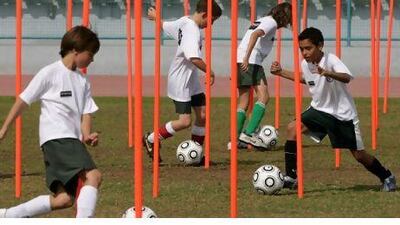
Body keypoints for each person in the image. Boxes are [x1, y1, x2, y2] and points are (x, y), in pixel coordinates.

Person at [270, 27, 396, 192]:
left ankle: (386, 176)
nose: (305, 53)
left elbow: (347, 77)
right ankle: (292, 177)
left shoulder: (331, 60)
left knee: (359, 155)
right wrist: (280, 72)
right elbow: (305, 79)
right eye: (302, 49)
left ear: (320, 46)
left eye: (309, 48)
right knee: (292, 128)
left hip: (342, 115)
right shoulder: (305, 64)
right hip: (319, 110)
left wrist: (328, 72)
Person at [0, 26, 102, 217]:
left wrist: (87, 135)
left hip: (66, 141)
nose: (92, 59)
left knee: (64, 199)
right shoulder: (49, 73)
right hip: (58, 138)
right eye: (91, 54)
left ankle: (8, 215)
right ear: (76, 50)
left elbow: (86, 113)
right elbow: (23, 100)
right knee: (93, 176)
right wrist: (4, 128)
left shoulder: (83, 81)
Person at [143, 0, 222, 162]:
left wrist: (157, 17)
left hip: (191, 79)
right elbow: (193, 57)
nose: (211, 24)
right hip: (180, 80)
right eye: (211, 20)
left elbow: (167, 26)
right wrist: (210, 71)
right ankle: (151, 138)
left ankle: (195, 154)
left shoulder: (185, 20)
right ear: (204, 14)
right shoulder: (192, 30)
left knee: (203, 115)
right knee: (185, 121)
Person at [233, 2, 292, 150]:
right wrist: (247, 58)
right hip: (251, 60)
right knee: (264, 96)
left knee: (244, 100)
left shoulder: (263, 19)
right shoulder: (271, 23)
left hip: (241, 59)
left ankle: (233, 140)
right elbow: (255, 34)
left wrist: (241, 61)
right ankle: (248, 133)